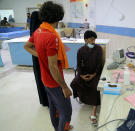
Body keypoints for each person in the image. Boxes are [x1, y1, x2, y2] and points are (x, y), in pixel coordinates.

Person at [24, 1, 72, 131]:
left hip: (45, 79)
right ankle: (62, 127)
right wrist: (65, 87)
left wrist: (41, 55)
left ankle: (57, 127)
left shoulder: (39, 31)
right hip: (54, 81)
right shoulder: (51, 36)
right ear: (57, 17)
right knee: (66, 112)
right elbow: (53, 67)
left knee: (53, 106)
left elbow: (27, 46)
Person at [70, 30, 102, 125]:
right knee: (74, 83)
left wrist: (94, 74)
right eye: (91, 39)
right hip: (83, 73)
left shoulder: (98, 49)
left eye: (94, 39)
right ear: (85, 40)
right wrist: (81, 75)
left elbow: (99, 64)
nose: (93, 42)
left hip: (95, 73)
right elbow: (78, 65)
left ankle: (94, 109)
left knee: (95, 86)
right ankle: (83, 98)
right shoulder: (80, 50)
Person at [30, 11, 49, 107]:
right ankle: (47, 99)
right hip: (40, 57)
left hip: (36, 57)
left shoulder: (34, 32)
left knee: (40, 77)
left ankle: (44, 99)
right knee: (44, 77)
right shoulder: (39, 32)